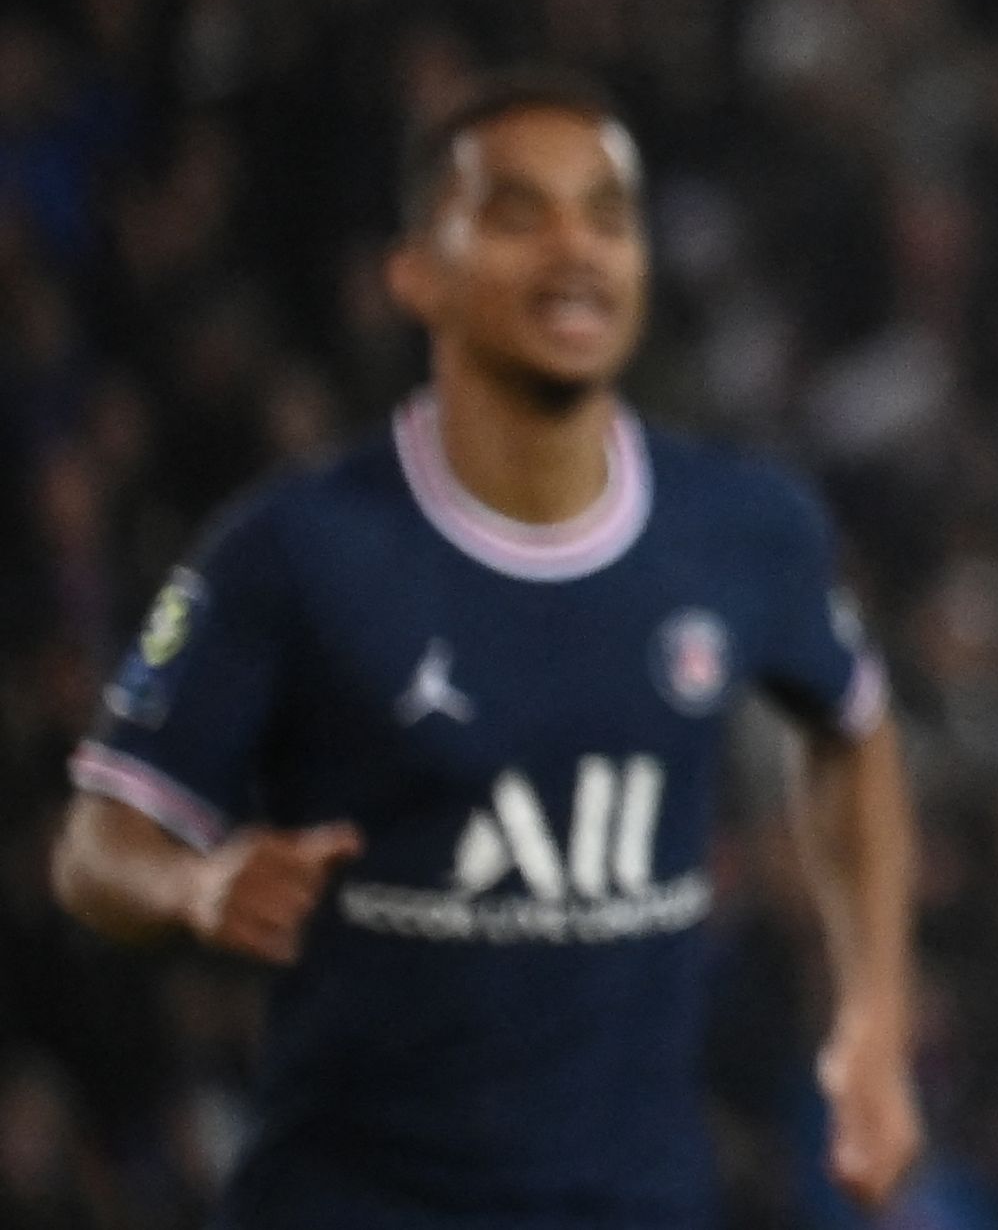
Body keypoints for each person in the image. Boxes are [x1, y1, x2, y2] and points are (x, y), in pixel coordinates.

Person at [50, 71, 922, 1225]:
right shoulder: (292, 550)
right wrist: (191, 879)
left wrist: (871, 1018)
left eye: (608, 216)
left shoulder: (748, 528)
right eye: (518, 213)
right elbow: (96, 842)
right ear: (416, 273)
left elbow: (849, 732)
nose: (576, 248)